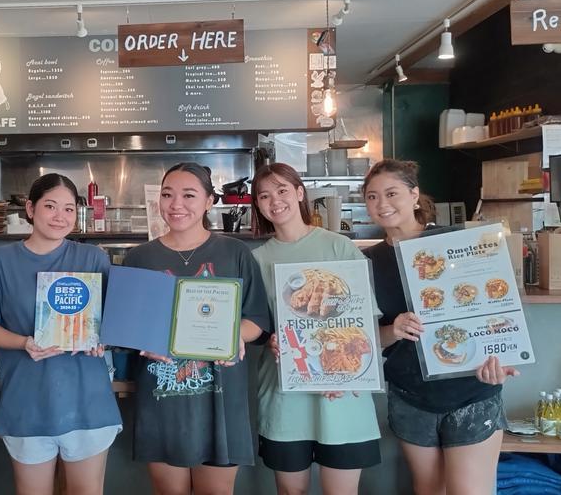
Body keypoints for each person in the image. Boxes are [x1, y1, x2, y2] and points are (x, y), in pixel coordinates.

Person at [362, 158, 518, 495]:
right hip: (410, 395)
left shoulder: (455, 244)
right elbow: (362, 338)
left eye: (392, 193)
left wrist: (502, 355)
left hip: (471, 391)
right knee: (429, 489)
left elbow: (493, 308)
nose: (382, 204)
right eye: (372, 197)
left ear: (414, 195)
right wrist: (394, 330)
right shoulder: (367, 262)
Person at [122, 162, 271, 495]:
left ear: (208, 202)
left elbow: (258, 322)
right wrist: (141, 340)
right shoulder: (138, 258)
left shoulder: (235, 252)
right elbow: (126, 330)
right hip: (162, 400)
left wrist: (232, 336)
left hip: (221, 398)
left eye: (189, 195)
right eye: (167, 195)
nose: (176, 205)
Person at [0, 173, 120, 495]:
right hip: (27, 402)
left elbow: (112, 322)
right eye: (50, 206)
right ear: (30, 208)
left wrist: (103, 339)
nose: (60, 216)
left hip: (87, 401)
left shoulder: (93, 259)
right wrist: (23, 342)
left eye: (69, 209)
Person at [250, 163, 381, 495]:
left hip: (342, 393)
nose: (274, 201)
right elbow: (255, 325)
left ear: (298, 193)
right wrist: (269, 340)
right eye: (264, 195)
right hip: (285, 394)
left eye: (281, 191)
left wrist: (345, 375)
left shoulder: (338, 246)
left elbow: (363, 318)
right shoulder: (256, 259)